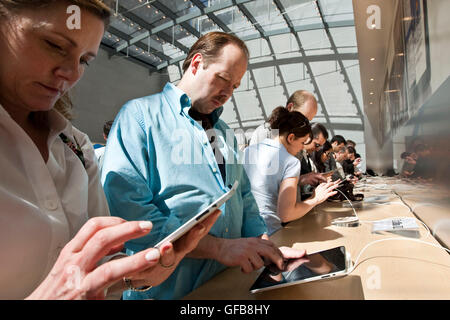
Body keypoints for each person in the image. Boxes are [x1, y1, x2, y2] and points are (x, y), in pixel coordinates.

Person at [0, 0, 220, 300]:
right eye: (53, 44)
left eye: (85, 60)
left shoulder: (75, 147)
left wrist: (134, 275)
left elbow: (93, 273)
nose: (71, 72)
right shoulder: (137, 117)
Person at [101, 31, 306, 300]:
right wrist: (218, 248)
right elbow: (130, 210)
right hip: (167, 291)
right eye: (223, 79)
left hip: (228, 284)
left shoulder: (224, 133)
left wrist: (264, 245)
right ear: (196, 64)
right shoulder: (140, 117)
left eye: (235, 86)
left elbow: (243, 197)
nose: (228, 93)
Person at [243, 108, 338, 235]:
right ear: (291, 138)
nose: (302, 147)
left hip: (247, 232)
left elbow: (264, 185)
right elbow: (286, 214)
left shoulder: (249, 151)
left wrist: (300, 180)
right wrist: (315, 198)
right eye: (302, 142)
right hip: (271, 232)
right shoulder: (291, 162)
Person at [249, 90, 318, 146]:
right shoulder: (265, 133)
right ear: (290, 107)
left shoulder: (297, 139)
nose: (304, 124)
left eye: (308, 121)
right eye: (303, 118)